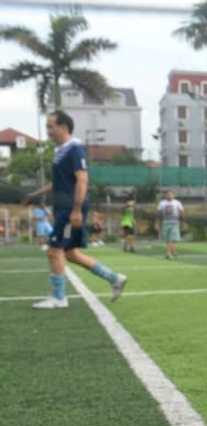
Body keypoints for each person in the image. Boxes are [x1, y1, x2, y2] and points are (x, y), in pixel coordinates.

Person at [22, 110, 126, 309]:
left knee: (54, 250)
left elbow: (82, 179)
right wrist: (34, 194)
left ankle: (59, 298)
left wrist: (76, 210)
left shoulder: (75, 149)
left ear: (63, 127)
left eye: (51, 126)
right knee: (69, 253)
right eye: (47, 127)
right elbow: (58, 182)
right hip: (65, 207)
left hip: (70, 209)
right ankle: (114, 278)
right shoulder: (60, 151)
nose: (48, 131)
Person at [157, 190, 185, 260]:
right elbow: (158, 214)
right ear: (165, 195)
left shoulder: (177, 202)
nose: (169, 195)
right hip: (165, 222)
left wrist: (183, 222)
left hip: (175, 222)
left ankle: (170, 252)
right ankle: (170, 252)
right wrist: (157, 223)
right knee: (168, 239)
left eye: (171, 194)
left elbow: (181, 212)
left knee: (173, 239)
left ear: (173, 195)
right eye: (168, 194)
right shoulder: (162, 203)